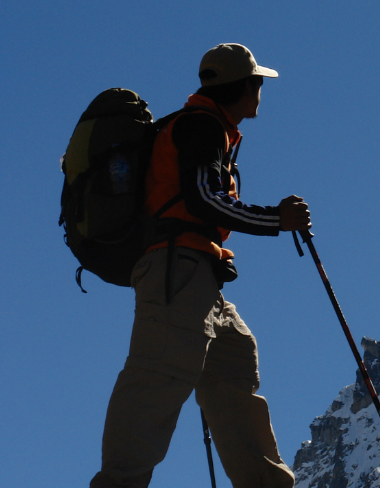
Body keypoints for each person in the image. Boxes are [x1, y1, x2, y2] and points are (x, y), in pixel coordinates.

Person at [92, 43, 310, 488]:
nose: (261, 91)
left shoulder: (203, 125)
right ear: (245, 87)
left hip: (195, 274)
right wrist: (276, 220)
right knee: (156, 376)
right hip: (178, 269)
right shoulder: (200, 126)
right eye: (259, 83)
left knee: (232, 366)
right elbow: (205, 199)